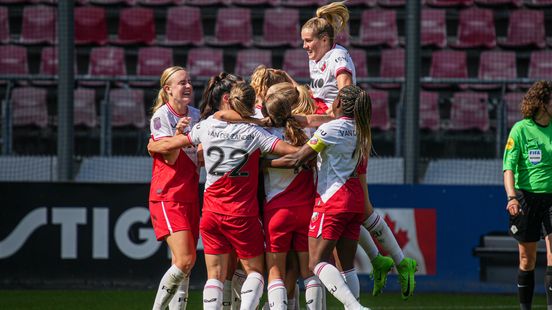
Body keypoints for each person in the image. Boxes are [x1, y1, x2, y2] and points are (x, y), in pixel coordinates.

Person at [148, 82, 300, 310]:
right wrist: (319, 146)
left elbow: (172, 143)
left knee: (214, 276)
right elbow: (293, 152)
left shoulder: (207, 126)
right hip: (241, 215)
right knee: (256, 272)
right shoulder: (254, 132)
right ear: (250, 106)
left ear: (229, 100)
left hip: (210, 215)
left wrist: (153, 145)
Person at [268, 85, 377, 310]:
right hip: (355, 200)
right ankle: (354, 306)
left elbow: (297, 159)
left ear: (337, 103)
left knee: (316, 262)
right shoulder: (362, 129)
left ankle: (355, 308)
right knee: (347, 266)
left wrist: (263, 164)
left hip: (333, 201)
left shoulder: (331, 130)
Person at [261, 83, 325, 310]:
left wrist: (264, 164)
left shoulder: (265, 134)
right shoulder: (307, 132)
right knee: (309, 271)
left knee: (275, 271)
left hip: (276, 211)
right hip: (306, 210)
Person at [148, 66, 200, 310]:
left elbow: (199, 156)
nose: (188, 85)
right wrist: (180, 134)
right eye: (182, 82)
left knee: (185, 264)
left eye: (189, 81)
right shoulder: (161, 117)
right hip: (168, 196)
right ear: (168, 89)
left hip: (190, 195)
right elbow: (169, 158)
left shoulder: (197, 115)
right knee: (186, 259)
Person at [503, 80, 552, 310]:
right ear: (542, 103)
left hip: (551, 199)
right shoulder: (520, 130)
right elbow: (508, 167)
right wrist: (512, 197)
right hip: (525, 199)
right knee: (527, 260)